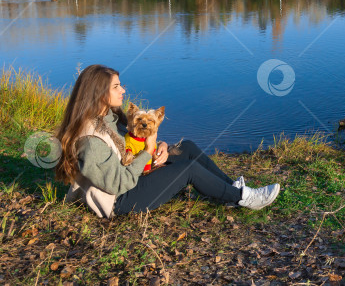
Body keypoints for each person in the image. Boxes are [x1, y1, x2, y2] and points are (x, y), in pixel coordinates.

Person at [54, 64, 280, 218]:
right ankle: (244, 198)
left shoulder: (110, 117)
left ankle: (232, 189)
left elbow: (136, 142)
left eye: (121, 84)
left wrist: (161, 148)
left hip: (135, 175)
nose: (123, 89)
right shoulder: (90, 140)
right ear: (98, 92)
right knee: (188, 169)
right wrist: (148, 150)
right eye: (116, 86)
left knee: (187, 148)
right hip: (120, 200)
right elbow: (117, 184)